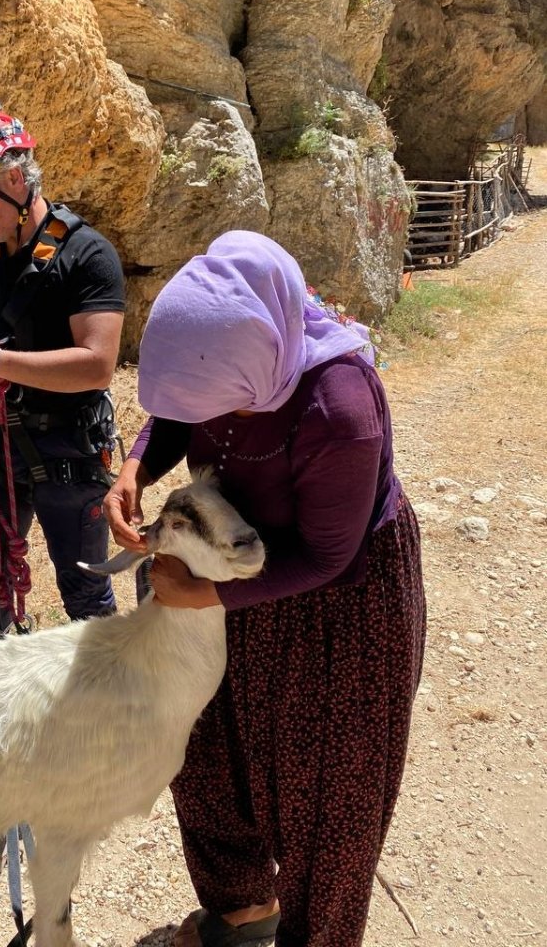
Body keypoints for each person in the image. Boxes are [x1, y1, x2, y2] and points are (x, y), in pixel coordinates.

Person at [104, 230, 426, 947]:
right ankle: (243, 913)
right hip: (230, 577)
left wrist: (198, 597)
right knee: (206, 748)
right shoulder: (239, 358)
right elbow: (181, 405)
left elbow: (327, 558)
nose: (218, 416)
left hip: (338, 607)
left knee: (324, 794)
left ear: (267, 362)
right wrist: (135, 468)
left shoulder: (339, 409)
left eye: (233, 405)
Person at [0, 85, 125, 621]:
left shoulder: (86, 255)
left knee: (84, 590)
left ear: (14, 179)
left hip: (68, 450)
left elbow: (97, 364)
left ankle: (103, 698)